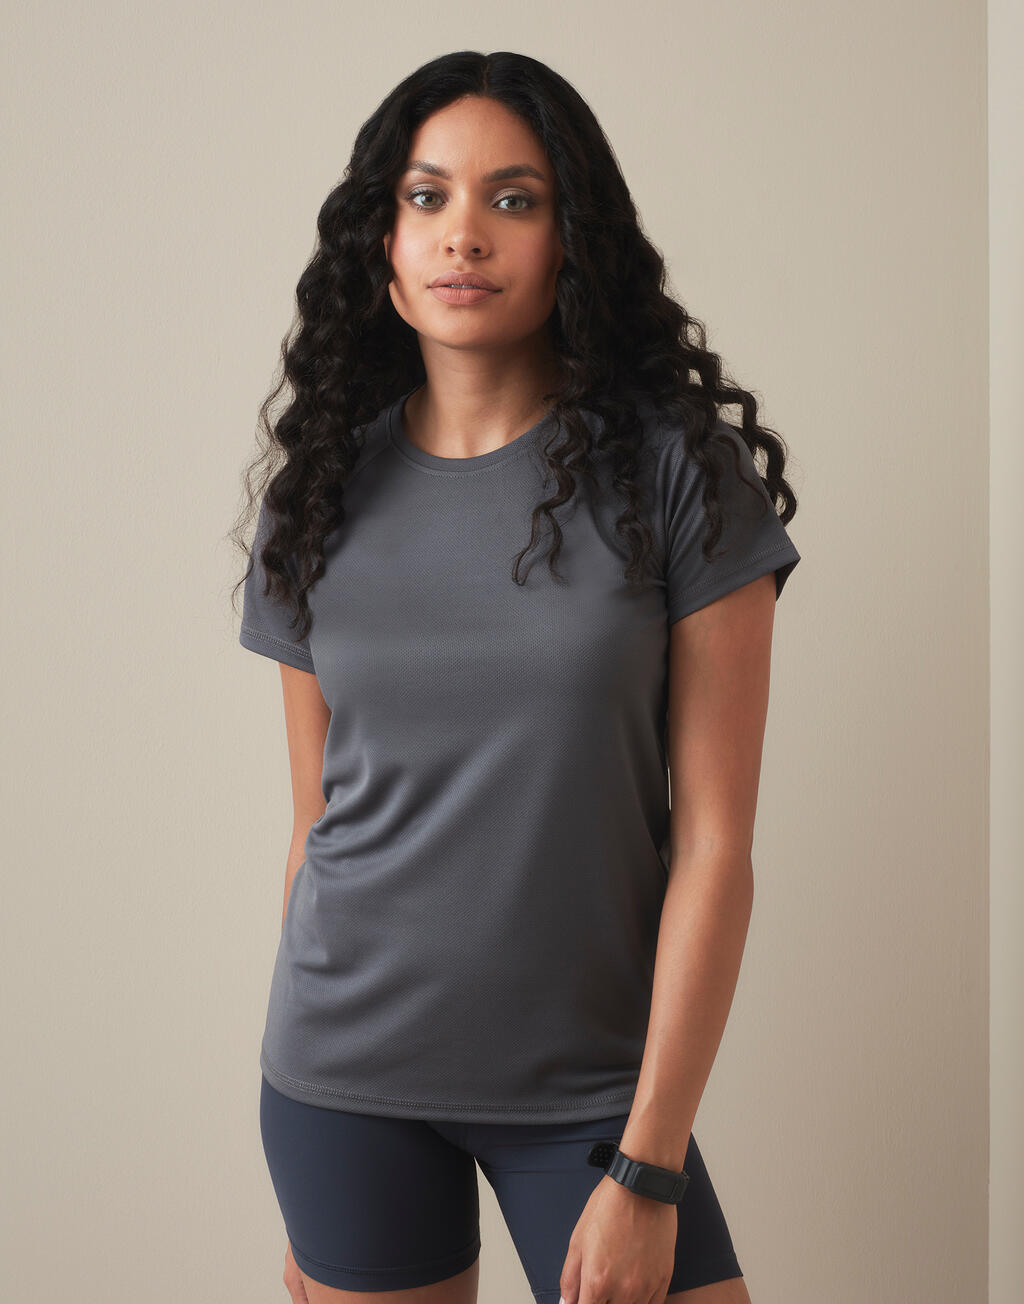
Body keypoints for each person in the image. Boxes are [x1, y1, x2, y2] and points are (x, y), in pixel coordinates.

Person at [232, 50, 801, 1304]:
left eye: (514, 198)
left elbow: (715, 844)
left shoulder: (679, 478)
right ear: (381, 243)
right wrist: (320, 1181)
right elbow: (315, 822)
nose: (464, 234)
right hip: (342, 1083)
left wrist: (649, 1162)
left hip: (591, 1091)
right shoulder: (317, 496)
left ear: (571, 240)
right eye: (425, 196)